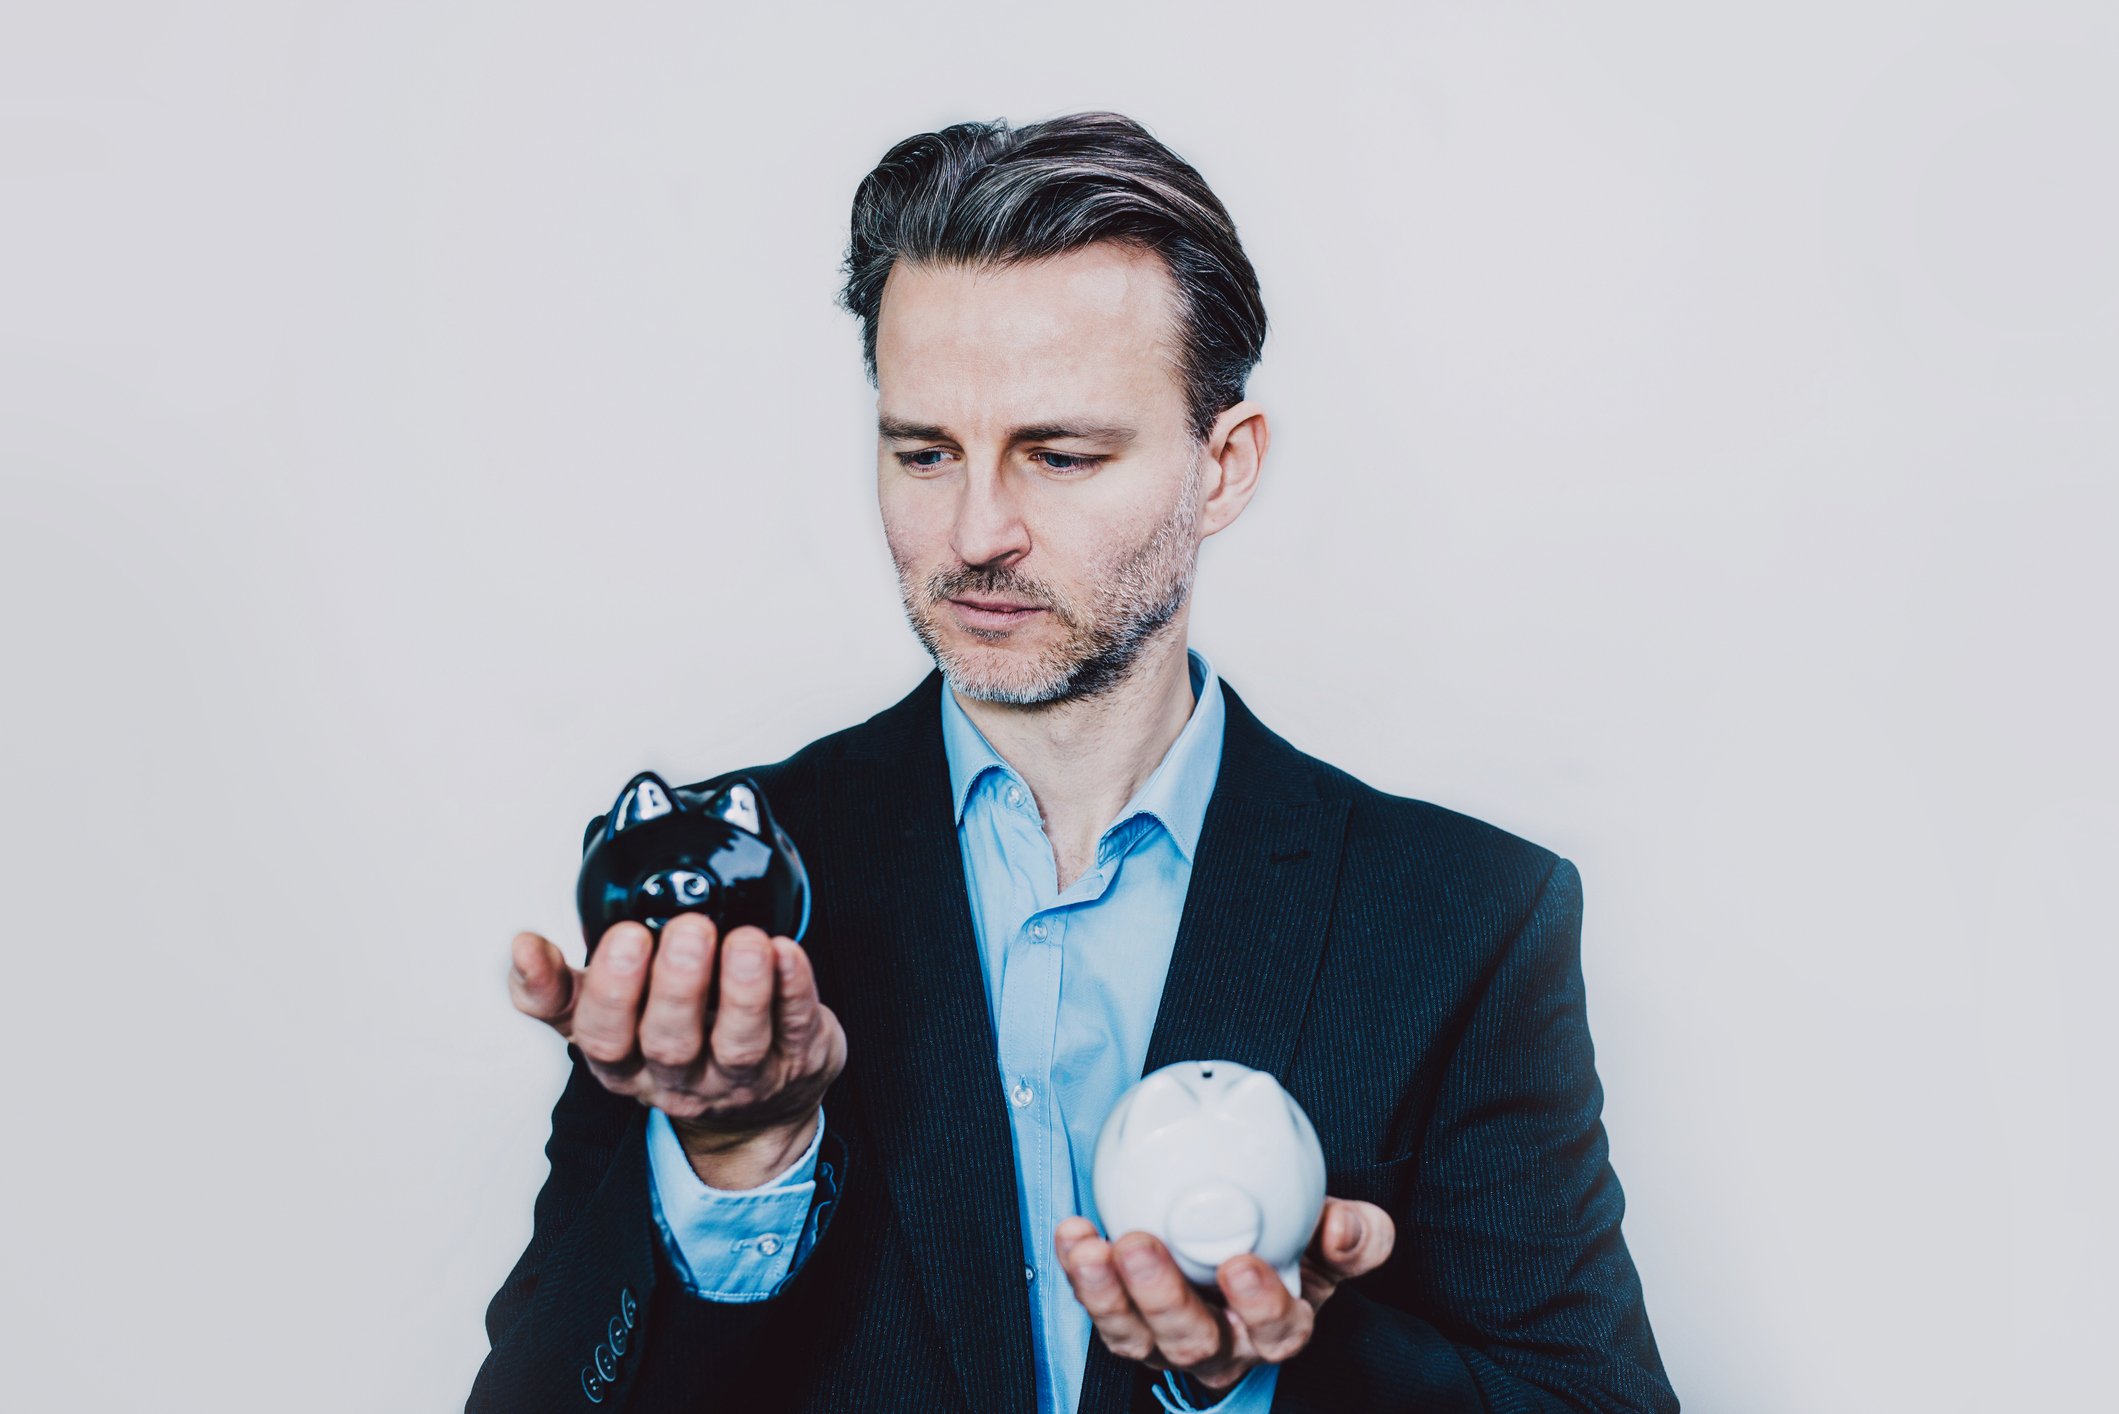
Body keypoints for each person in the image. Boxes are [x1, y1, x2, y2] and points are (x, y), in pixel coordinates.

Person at [469, 111, 1678, 1414]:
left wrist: (1261, 1378)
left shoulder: (1462, 918)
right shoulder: (728, 894)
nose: (976, 530)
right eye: (924, 451)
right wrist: (732, 1161)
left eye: (1060, 454)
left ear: (1224, 465)